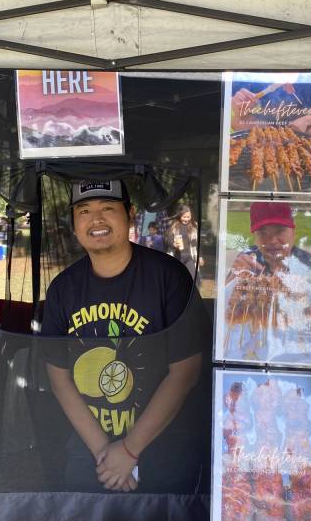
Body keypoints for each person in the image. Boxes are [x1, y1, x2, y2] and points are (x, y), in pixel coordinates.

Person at [39, 179, 203, 494]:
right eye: (84, 211)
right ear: (74, 224)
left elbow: (185, 372)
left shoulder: (168, 277)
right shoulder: (63, 288)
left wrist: (129, 450)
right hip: (90, 449)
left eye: (108, 208)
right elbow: (59, 378)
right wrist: (106, 453)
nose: (96, 219)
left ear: (129, 215)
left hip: (163, 447)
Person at [226, 201, 311, 282]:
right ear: (255, 237)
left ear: (293, 233)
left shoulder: (309, 265)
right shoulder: (248, 257)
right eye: (263, 232)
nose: (272, 241)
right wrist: (232, 279)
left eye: (280, 231)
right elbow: (224, 295)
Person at [166, 205, 202, 278]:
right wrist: (173, 244)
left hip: (190, 257)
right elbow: (167, 240)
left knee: (193, 278)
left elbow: (197, 243)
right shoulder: (173, 226)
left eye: (188, 217)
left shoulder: (194, 226)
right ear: (179, 216)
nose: (186, 219)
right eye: (184, 217)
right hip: (177, 257)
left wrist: (200, 256)